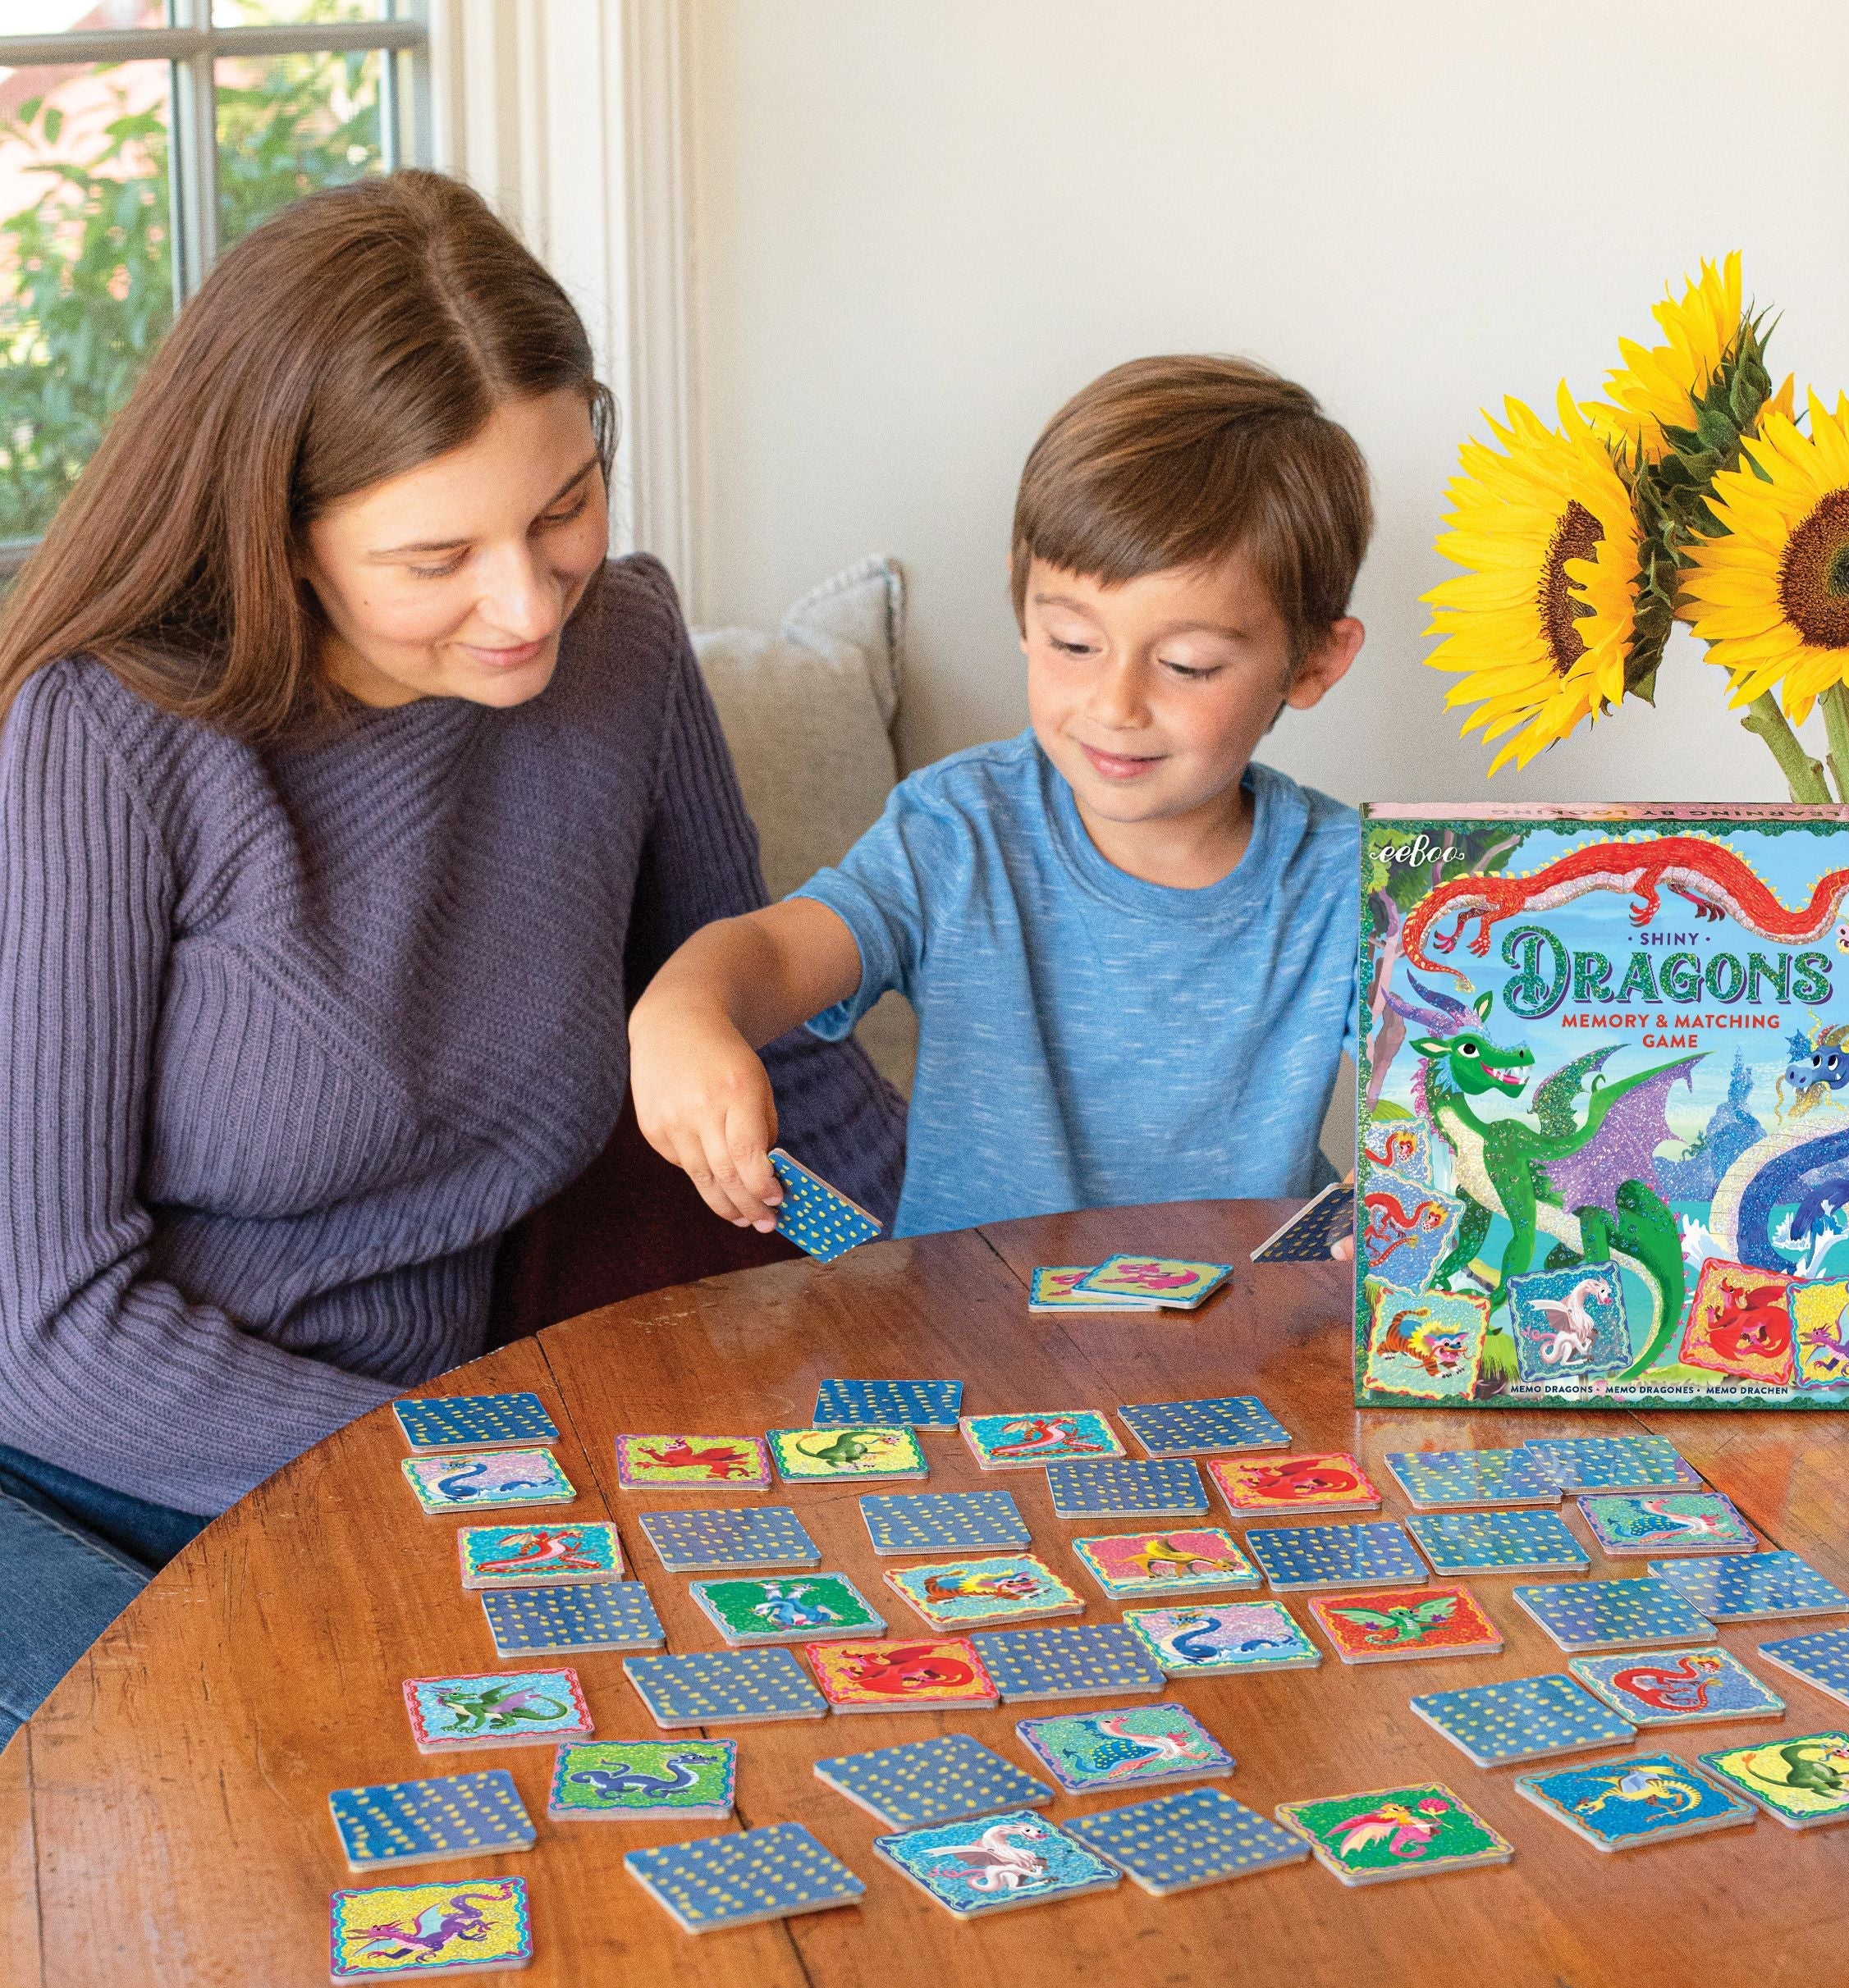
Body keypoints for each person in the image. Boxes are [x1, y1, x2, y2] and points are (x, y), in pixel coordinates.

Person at [0, 171, 903, 1748]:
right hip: (80, 1483)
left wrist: (970, 1286)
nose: (525, 598)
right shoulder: (108, 739)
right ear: (278, 539)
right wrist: (486, 1462)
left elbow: (771, 1061)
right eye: (437, 558)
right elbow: (47, 1333)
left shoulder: (620, 654)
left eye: (563, 504)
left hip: (448, 1457)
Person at [632, 354, 1370, 1240]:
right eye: (1071, 643)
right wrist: (683, 1011)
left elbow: (1483, 1102)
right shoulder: (957, 832)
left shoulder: (1357, 884)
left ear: (1314, 663)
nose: (1115, 704)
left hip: (1245, 1353)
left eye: (1187, 665)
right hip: (973, 1346)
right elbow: (776, 954)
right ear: (1022, 613)